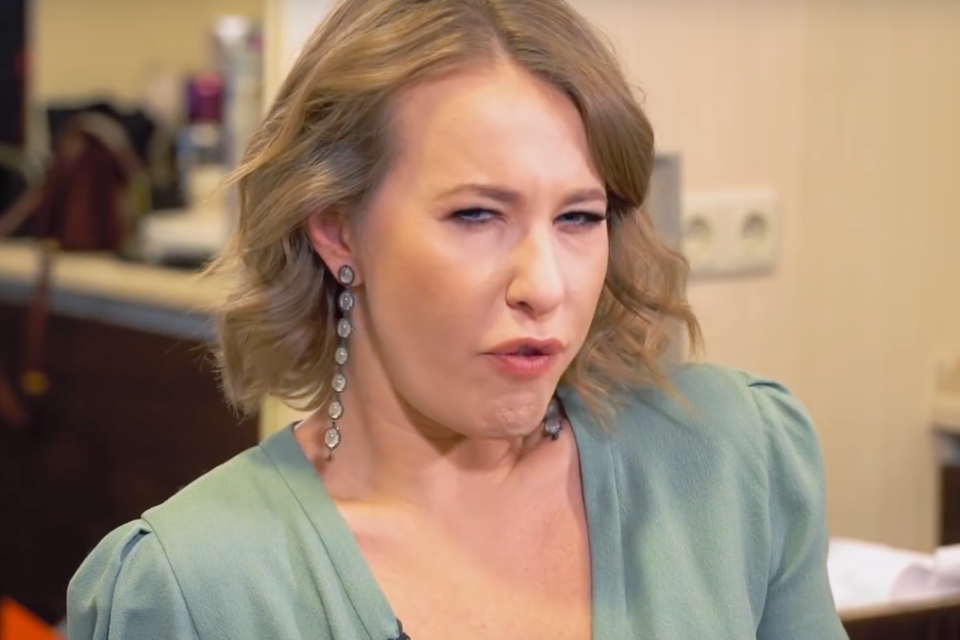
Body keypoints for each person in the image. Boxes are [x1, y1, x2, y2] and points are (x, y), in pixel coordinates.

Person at [66, 0, 849, 638]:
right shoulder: (194, 591)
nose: (544, 285)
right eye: (477, 215)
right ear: (337, 228)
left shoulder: (734, 462)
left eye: (579, 217)